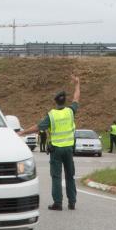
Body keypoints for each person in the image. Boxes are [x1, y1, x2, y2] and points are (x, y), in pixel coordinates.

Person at [20, 76, 83, 209]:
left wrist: (22, 132)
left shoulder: (51, 115)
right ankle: (72, 202)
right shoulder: (70, 111)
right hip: (68, 149)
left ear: (55, 102)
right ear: (65, 101)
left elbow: (37, 127)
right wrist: (77, 84)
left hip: (56, 150)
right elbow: (76, 98)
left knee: (56, 176)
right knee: (70, 176)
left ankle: (58, 203)